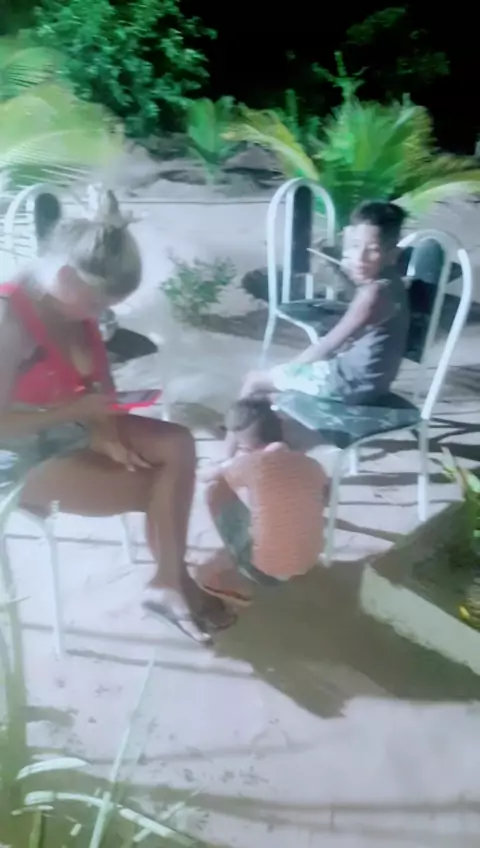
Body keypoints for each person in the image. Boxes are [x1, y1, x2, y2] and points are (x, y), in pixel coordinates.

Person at [0, 189, 233, 643]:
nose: (101, 315)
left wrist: (105, 431)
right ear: (65, 276)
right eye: (96, 304)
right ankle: (174, 583)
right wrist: (74, 412)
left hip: (70, 425)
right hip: (16, 454)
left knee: (178, 444)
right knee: (158, 488)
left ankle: (168, 582)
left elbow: (99, 384)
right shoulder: (10, 320)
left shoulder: (73, 305)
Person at [241, 201, 410, 405]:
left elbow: (327, 345)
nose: (360, 258)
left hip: (347, 384)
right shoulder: (392, 284)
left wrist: (290, 369)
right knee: (271, 395)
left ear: (392, 255)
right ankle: (256, 420)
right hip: (369, 382)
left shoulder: (373, 294)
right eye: (356, 246)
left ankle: (235, 425)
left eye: (372, 250)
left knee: (255, 381)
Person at [197, 398, 327, 605]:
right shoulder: (313, 465)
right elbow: (324, 499)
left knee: (215, 489)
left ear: (242, 443)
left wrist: (228, 463)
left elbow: (205, 476)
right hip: (308, 561)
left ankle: (239, 582)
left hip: (268, 572)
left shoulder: (249, 463)